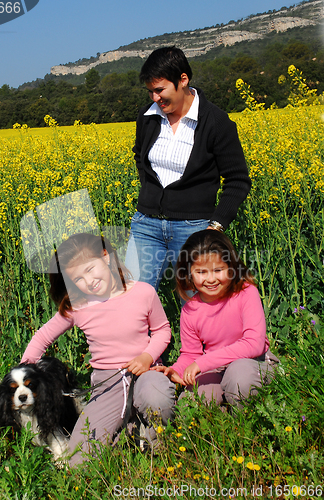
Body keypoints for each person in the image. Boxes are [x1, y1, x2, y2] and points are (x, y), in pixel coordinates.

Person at [21, 233, 175, 465]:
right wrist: (25, 372)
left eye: (91, 269)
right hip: (108, 382)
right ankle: (127, 430)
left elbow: (163, 330)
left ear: (107, 258)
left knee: (159, 398)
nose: (89, 281)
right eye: (78, 279)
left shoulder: (143, 292)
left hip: (148, 371)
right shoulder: (78, 305)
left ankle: (152, 438)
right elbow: (43, 336)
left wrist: (147, 356)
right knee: (78, 462)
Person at [126, 46, 251, 290]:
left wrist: (215, 227)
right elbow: (140, 157)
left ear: (183, 80)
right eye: (150, 91)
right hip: (146, 225)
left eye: (160, 90)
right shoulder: (147, 116)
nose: (154, 98)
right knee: (131, 302)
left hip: (193, 229)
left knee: (196, 304)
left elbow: (238, 180)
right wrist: (152, 194)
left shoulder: (216, 122)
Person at [153, 229, 279, 408]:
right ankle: (219, 424)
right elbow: (191, 354)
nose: (211, 279)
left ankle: (246, 427)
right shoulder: (190, 309)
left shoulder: (246, 292)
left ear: (231, 267)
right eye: (201, 272)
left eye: (218, 270)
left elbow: (254, 344)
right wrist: (176, 370)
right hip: (214, 368)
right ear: (189, 273)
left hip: (254, 362)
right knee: (192, 404)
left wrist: (202, 363)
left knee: (239, 377)